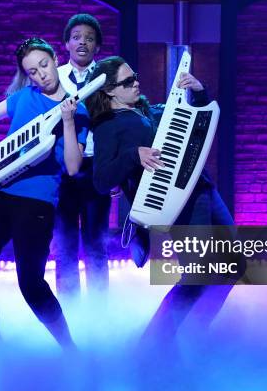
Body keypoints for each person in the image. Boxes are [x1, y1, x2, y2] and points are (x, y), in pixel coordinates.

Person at [86, 56, 238, 345]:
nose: (137, 83)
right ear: (109, 91)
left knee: (233, 265)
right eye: (128, 81)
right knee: (196, 277)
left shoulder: (146, 109)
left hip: (203, 188)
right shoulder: (108, 126)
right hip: (179, 202)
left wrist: (200, 92)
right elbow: (102, 180)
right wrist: (134, 155)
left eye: (135, 76)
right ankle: (154, 345)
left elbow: (191, 127)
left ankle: (193, 333)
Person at [0, 38, 89, 351]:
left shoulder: (79, 107)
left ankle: (70, 351)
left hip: (37, 203)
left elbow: (73, 167)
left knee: (31, 285)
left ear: (55, 58)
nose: (41, 75)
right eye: (32, 71)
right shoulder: (23, 97)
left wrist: (69, 120)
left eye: (44, 65)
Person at [55, 14, 111, 297]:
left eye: (89, 38)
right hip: (62, 171)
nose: (82, 42)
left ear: (97, 47)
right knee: (64, 245)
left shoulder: (108, 79)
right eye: (77, 36)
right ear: (66, 43)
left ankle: (100, 314)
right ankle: (68, 310)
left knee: (96, 243)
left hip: (96, 168)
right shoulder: (54, 78)